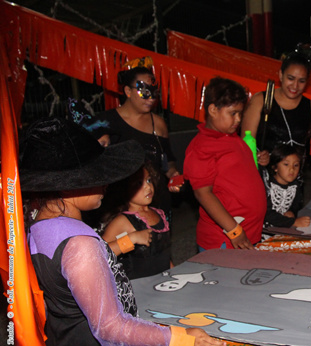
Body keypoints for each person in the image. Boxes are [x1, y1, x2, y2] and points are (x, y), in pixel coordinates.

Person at [19, 117, 227, 346]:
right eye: (98, 175)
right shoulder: (80, 244)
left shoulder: (37, 224)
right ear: (68, 184)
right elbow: (111, 328)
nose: (107, 183)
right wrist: (179, 338)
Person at [241, 47, 311, 209]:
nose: (295, 85)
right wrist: (257, 154)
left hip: (293, 185)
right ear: (280, 75)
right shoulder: (261, 101)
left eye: (302, 81)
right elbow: (245, 141)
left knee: (289, 228)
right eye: (291, 78)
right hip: (260, 181)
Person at [93, 57, 181, 223]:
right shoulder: (104, 123)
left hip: (156, 205)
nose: (151, 98)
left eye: (154, 92)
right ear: (127, 91)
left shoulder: (159, 124)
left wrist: (173, 175)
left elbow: (167, 162)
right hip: (120, 209)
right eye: (144, 92)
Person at [184, 77, 267, 250]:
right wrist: (234, 230)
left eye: (240, 113)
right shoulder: (202, 147)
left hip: (248, 234)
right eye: (233, 113)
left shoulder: (230, 137)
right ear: (213, 110)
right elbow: (203, 194)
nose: (238, 119)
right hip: (224, 239)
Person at [102, 162, 172, 280]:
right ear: (123, 189)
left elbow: (163, 253)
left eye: (149, 180)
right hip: (138, 287)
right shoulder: (123, 221)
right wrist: (130, 239)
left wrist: (173, 272)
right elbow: (101, 254)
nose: (148, 187)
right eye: (139, 183)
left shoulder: (158, 213)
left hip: (163, 283)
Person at [262, 144, 311, 229]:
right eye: (286, 164)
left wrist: (291, 212)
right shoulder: (267, 185)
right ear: (275, 167)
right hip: (264, 229)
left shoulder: (295, 186)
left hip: (283, 228)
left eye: (296, 165)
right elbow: (266, 213)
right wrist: (293, 222)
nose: (292, 169)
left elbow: (296, 205)